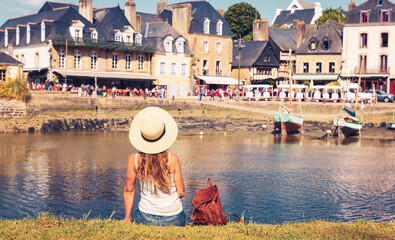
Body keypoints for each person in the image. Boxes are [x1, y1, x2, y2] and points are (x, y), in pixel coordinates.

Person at [123, 107, 186, 226]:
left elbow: (129, 190)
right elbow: (181, 192)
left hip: (145, 217)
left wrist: (127, 218)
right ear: (164, 135)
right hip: (173, 218)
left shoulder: (133, 159)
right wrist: (167, 203)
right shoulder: (173, 159)